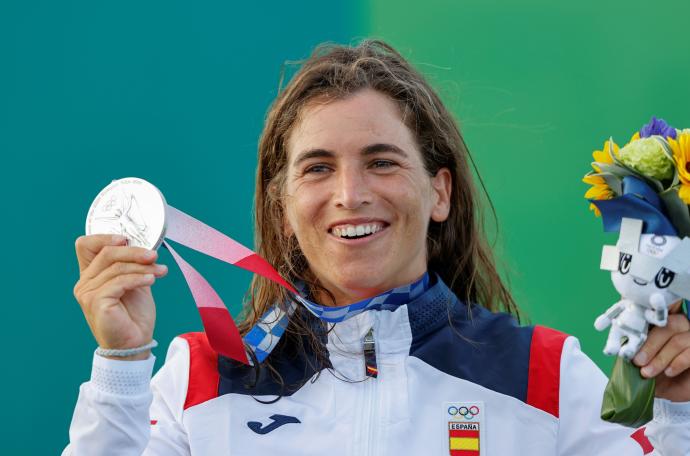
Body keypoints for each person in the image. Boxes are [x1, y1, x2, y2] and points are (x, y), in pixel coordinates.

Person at [64, 40, 690, 455]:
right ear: (282, 210)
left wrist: (682, 416)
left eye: (381, 162)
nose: (350, 193)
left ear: (439, 192)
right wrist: (121, 367)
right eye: (316, 169)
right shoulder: (199, 378)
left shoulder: (545, 376)